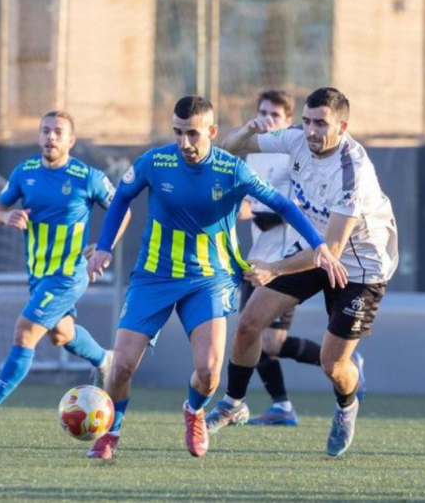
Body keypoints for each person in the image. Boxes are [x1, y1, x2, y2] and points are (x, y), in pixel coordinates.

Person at [84, 95, 345, 460]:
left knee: (208, 373)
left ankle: (194, 411)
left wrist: (319, 245)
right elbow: (122, 198)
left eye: (192, 133)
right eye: (178, 132)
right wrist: (103, 247)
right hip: (154, 276)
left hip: (209, 279)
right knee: (123, 365)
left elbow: (283, 205)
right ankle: (111, 432)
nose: (184, 143)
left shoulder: (232, 169)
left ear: (212, 131)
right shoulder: (155, 162)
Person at [210, 87, 398, 458]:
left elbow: (332, 251)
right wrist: (248, 129)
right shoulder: (296, 139)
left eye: (321, 124)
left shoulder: (352, 172)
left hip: (360, 267)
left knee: (333, 365)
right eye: (307, 121)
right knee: (248, 324)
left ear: (342, 126)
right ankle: (233, 403)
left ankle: (346, 406)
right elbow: (229, 149)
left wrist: (274, 268)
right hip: (312, 248)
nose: (311, 131)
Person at [0, 111, 130, 423]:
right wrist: (5, 216)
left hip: (69, 273)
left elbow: (122, 209)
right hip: (38, 274)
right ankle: (104, 358)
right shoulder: (25, 172)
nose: (51, 136)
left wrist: (104, 247)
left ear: (71, 141)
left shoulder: (87, 176)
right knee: (61, 335)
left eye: (58, 132)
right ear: (39, 136)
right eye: (46, 130)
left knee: (25, 331)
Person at [207, 90, 328, 430]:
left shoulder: (294, 152)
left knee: (268, 340)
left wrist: (258, 214)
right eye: (262, 112)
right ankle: (280, 406)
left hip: (287, 259)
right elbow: (232, 165)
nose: (267, 119)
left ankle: (341, 361)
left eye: (274, 115)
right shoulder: (255, 153)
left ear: (289, 121)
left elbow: (296, 209)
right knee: (252, 333)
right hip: (258, 258)